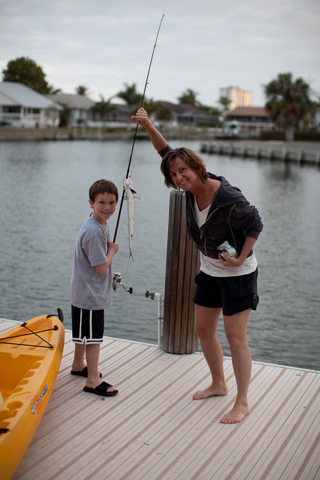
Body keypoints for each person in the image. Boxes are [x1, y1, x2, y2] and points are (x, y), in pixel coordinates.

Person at [132, 108, 263, 424]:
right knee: (203, 330)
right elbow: (166, 151)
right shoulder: (189, 190)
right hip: (210, 269)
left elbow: (256, 223)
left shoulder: (227, 196)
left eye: (182, 171)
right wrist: (148, 123)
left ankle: (242, 402)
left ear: (194, 165)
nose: (178, 178)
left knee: (235, 337)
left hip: (238, 274)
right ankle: (218, 384)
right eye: (173, 175)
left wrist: (241, 257)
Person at [70, 179, 119, 397]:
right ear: (91, 202)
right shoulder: (93, 231)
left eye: (111, 202)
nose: (107, 208)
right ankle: (92, 380)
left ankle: (78, 365)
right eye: (102, 203)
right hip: (90, 294)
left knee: (84, 333)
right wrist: (112, 251)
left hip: (83, 290)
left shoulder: (97, 223)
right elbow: (100, 267)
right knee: (93, 337)